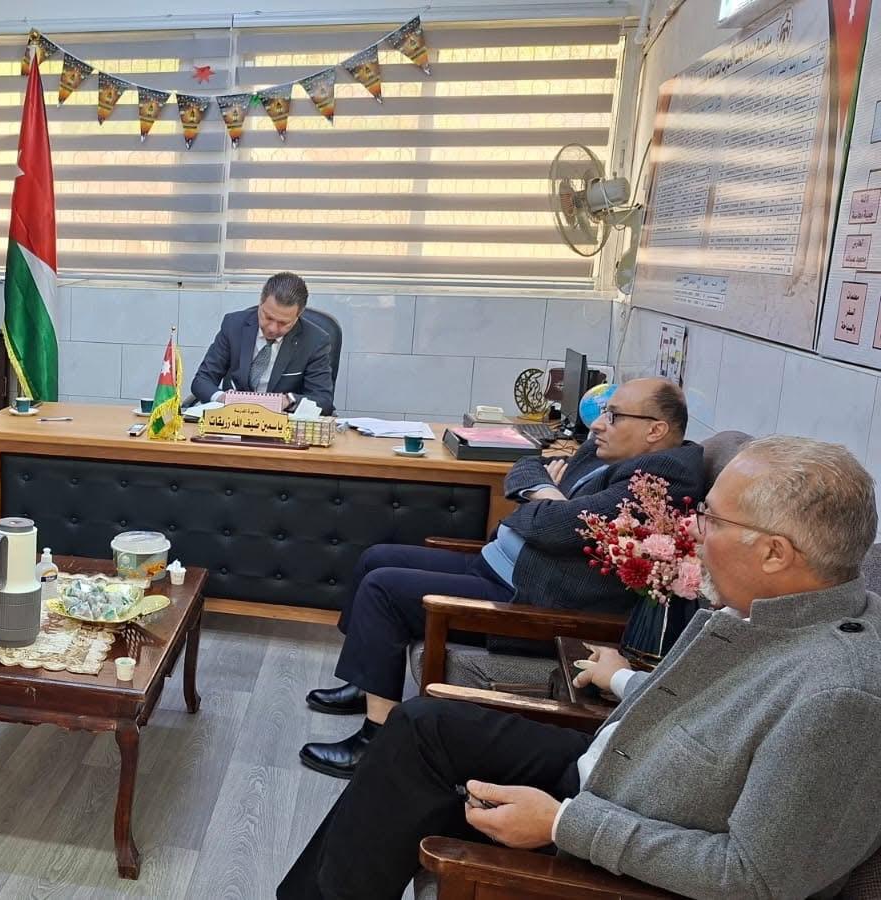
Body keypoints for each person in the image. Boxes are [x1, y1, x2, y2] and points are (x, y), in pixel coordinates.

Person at [279, 435, 881, 900]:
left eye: (713, 520)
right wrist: (623, 680)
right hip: (614, 770)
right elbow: (720, 720)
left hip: (611, 827)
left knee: (409, 780)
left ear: (775, 552)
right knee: (421, 726)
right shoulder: (770, 612)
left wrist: (563, 824)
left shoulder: (840, 697)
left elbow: (756, 879)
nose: (692, 531)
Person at [301, 378, 705, 778]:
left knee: (383, 589)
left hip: (527, 594)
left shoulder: (662, 478)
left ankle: (376, 740)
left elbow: (555, 528)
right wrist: (549, 495)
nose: (598, 424)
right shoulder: (607, 449)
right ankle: (367, 680)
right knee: (375, 558)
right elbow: (526, 466)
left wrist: (547, 503)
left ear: (655, 430)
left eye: (613, 416)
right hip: (499, 564)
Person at [189, 271, 335, 413]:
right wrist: (222, 398)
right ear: (260, 303)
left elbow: (323, 400)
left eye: (283, 323)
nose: (272, 328)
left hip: (282, 423)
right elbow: (202, 381)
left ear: (298, 315)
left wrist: (288, 400)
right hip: (233, 418)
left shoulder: (315, 341)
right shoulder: (233, 325)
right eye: (268, 317)